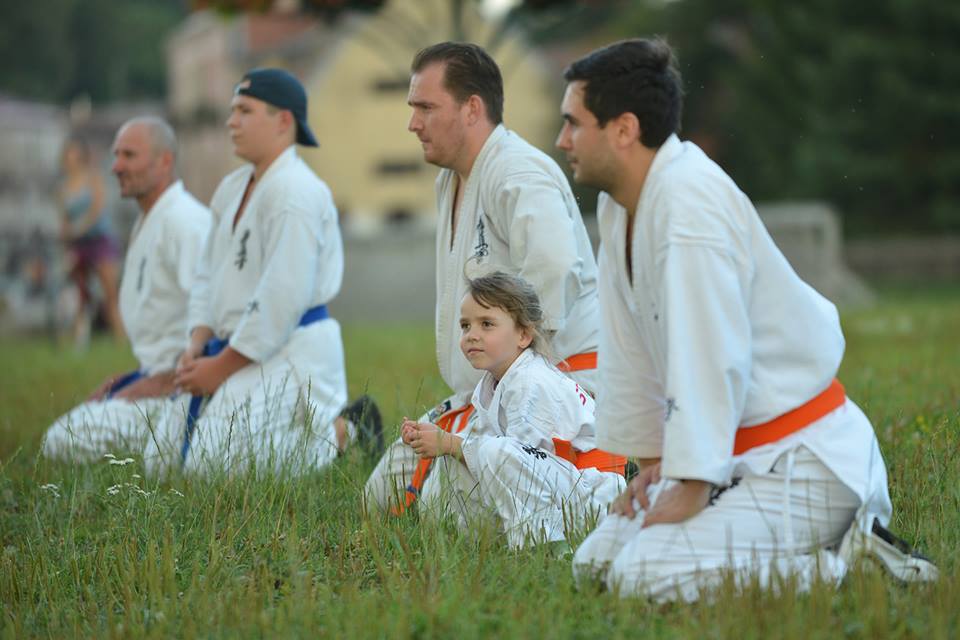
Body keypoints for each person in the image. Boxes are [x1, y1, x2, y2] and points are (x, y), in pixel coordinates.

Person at [556, 39, 918, 601]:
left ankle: (855, 566)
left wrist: (693, 483)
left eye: (574, 124)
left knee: (642, 576)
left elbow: (712, 353)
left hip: (804, 463)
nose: (563, 141)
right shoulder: (618, 205)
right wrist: (656, 464)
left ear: (623, 128)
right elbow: (630, 352)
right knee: (595, 564)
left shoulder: (689, 204)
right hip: (734, 457)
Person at [366, 42, 611, 514]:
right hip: (490, 394)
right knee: (379, 501)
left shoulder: (518, 172)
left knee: (444, 518)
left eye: (426, 108)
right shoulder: (453, 178)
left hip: (549, 394)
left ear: (472, 108)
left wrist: (514, 378)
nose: (413, 123)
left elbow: (555, 270)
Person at [143, 68, 378, 478]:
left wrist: (220, 368)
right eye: (233, 110)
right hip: (233, 346)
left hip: (291, 348)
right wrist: (198, 341)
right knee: (158, 464)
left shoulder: (298, 193)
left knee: (210, 467)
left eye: (244, 111)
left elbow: (281, 299)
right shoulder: (231, 188)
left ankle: (347, 429)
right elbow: (206, 275)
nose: (231, 121)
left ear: (283, 121)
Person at [404, 272, 625, 547]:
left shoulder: (533, 382)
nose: (472, 335)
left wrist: (451, 442)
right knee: (454, 460)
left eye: (486, 324)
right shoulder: (492, 382)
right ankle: (466, 541)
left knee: (490, 452)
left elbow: (521, 461)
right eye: (465, 326)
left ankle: (546, 546)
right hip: (560, 485)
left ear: (523, 334)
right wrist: (438, 440)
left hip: (597, 494)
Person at [43, 117, 212, 461]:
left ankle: (172, 443)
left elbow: (215, 319)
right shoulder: (151, 219)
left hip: (184, 390)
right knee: (70, 426)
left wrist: (160, 382)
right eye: (115, 155)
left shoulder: (185, 222)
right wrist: (129, 380)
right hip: (157, 379)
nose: (116, 166)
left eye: (129, 156)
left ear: (164, 161)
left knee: (60, 440)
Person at [57, 135, 124, 345]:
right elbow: (64, 218)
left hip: (99, 240)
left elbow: (97, 208)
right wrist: (67, 235)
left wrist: (79, 228)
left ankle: (120, 339)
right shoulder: (63, 186)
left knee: (109, 293)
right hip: (78, 245)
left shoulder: (92, 178)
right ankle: (80, 342)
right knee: (80, 295)